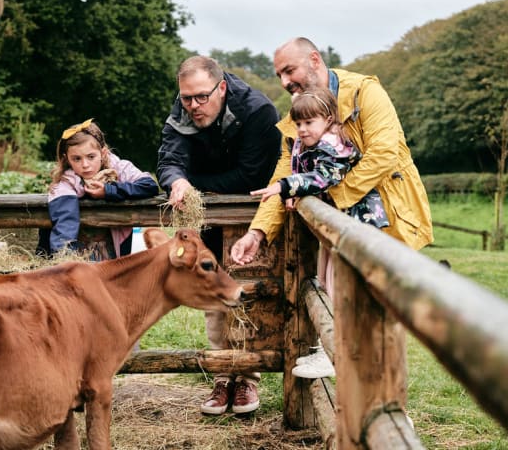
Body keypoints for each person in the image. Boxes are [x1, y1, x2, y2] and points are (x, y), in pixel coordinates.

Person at [231, 36, 433, 377]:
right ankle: (347, 381)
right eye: (279, 74)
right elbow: (286, 173)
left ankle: (389, 418)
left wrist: (334, 197)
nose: (284, 82)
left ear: (314, 59)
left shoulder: (365, 92)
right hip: (339, 225)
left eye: (289, 70)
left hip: (383, 219)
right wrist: (259, 230)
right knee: (336, 291)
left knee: (374, 313)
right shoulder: (301, 116)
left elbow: (384, 153)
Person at [156, 55, 281, 415]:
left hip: (250, 217)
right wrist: (176, 180)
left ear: (221, 87)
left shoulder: (259, 112)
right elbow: (169, 156)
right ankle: (222, 373)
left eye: (200, 98)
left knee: (246, 289)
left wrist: (192, 184)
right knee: (213, 290)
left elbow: (251, 176)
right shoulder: (184, 105)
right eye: (186, 98)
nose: (193, 106)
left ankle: (247, 377)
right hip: (207, 215)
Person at [251, 87, 389, 378]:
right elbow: (301, 168)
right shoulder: (307, 143)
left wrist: (285, 187)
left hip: (353, 227)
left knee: (343, 288)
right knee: (326, 283)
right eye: (298, 123)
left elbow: (323, 176)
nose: (301, 130)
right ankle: (330, 347)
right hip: (333, 229)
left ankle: (339, 351)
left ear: (328, 120)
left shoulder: (335, 146)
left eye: (308, 123)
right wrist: (295, 195)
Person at [43, 118, 159, 259]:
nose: (85, 165)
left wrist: (110, 191)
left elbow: (149, 186)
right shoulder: (65, 184)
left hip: (114, 254)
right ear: (66, 159)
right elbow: (64, 225)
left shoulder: (120, 168)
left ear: (103, 153)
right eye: (77, 159)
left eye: (91, 157)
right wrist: (64, 261)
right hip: (80, 258)